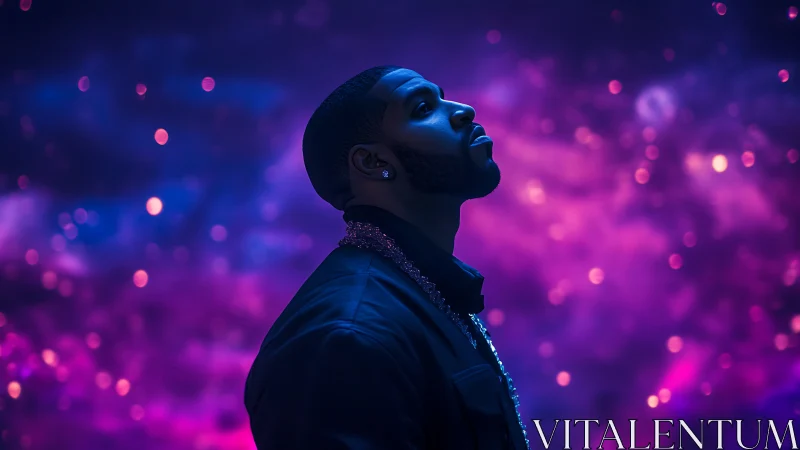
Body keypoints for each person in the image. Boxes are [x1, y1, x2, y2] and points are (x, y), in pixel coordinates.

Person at [244, 65, 529, 449]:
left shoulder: (422, 292)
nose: (462, 110)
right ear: (373, 163)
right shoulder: (344, 337)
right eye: (423, 108)